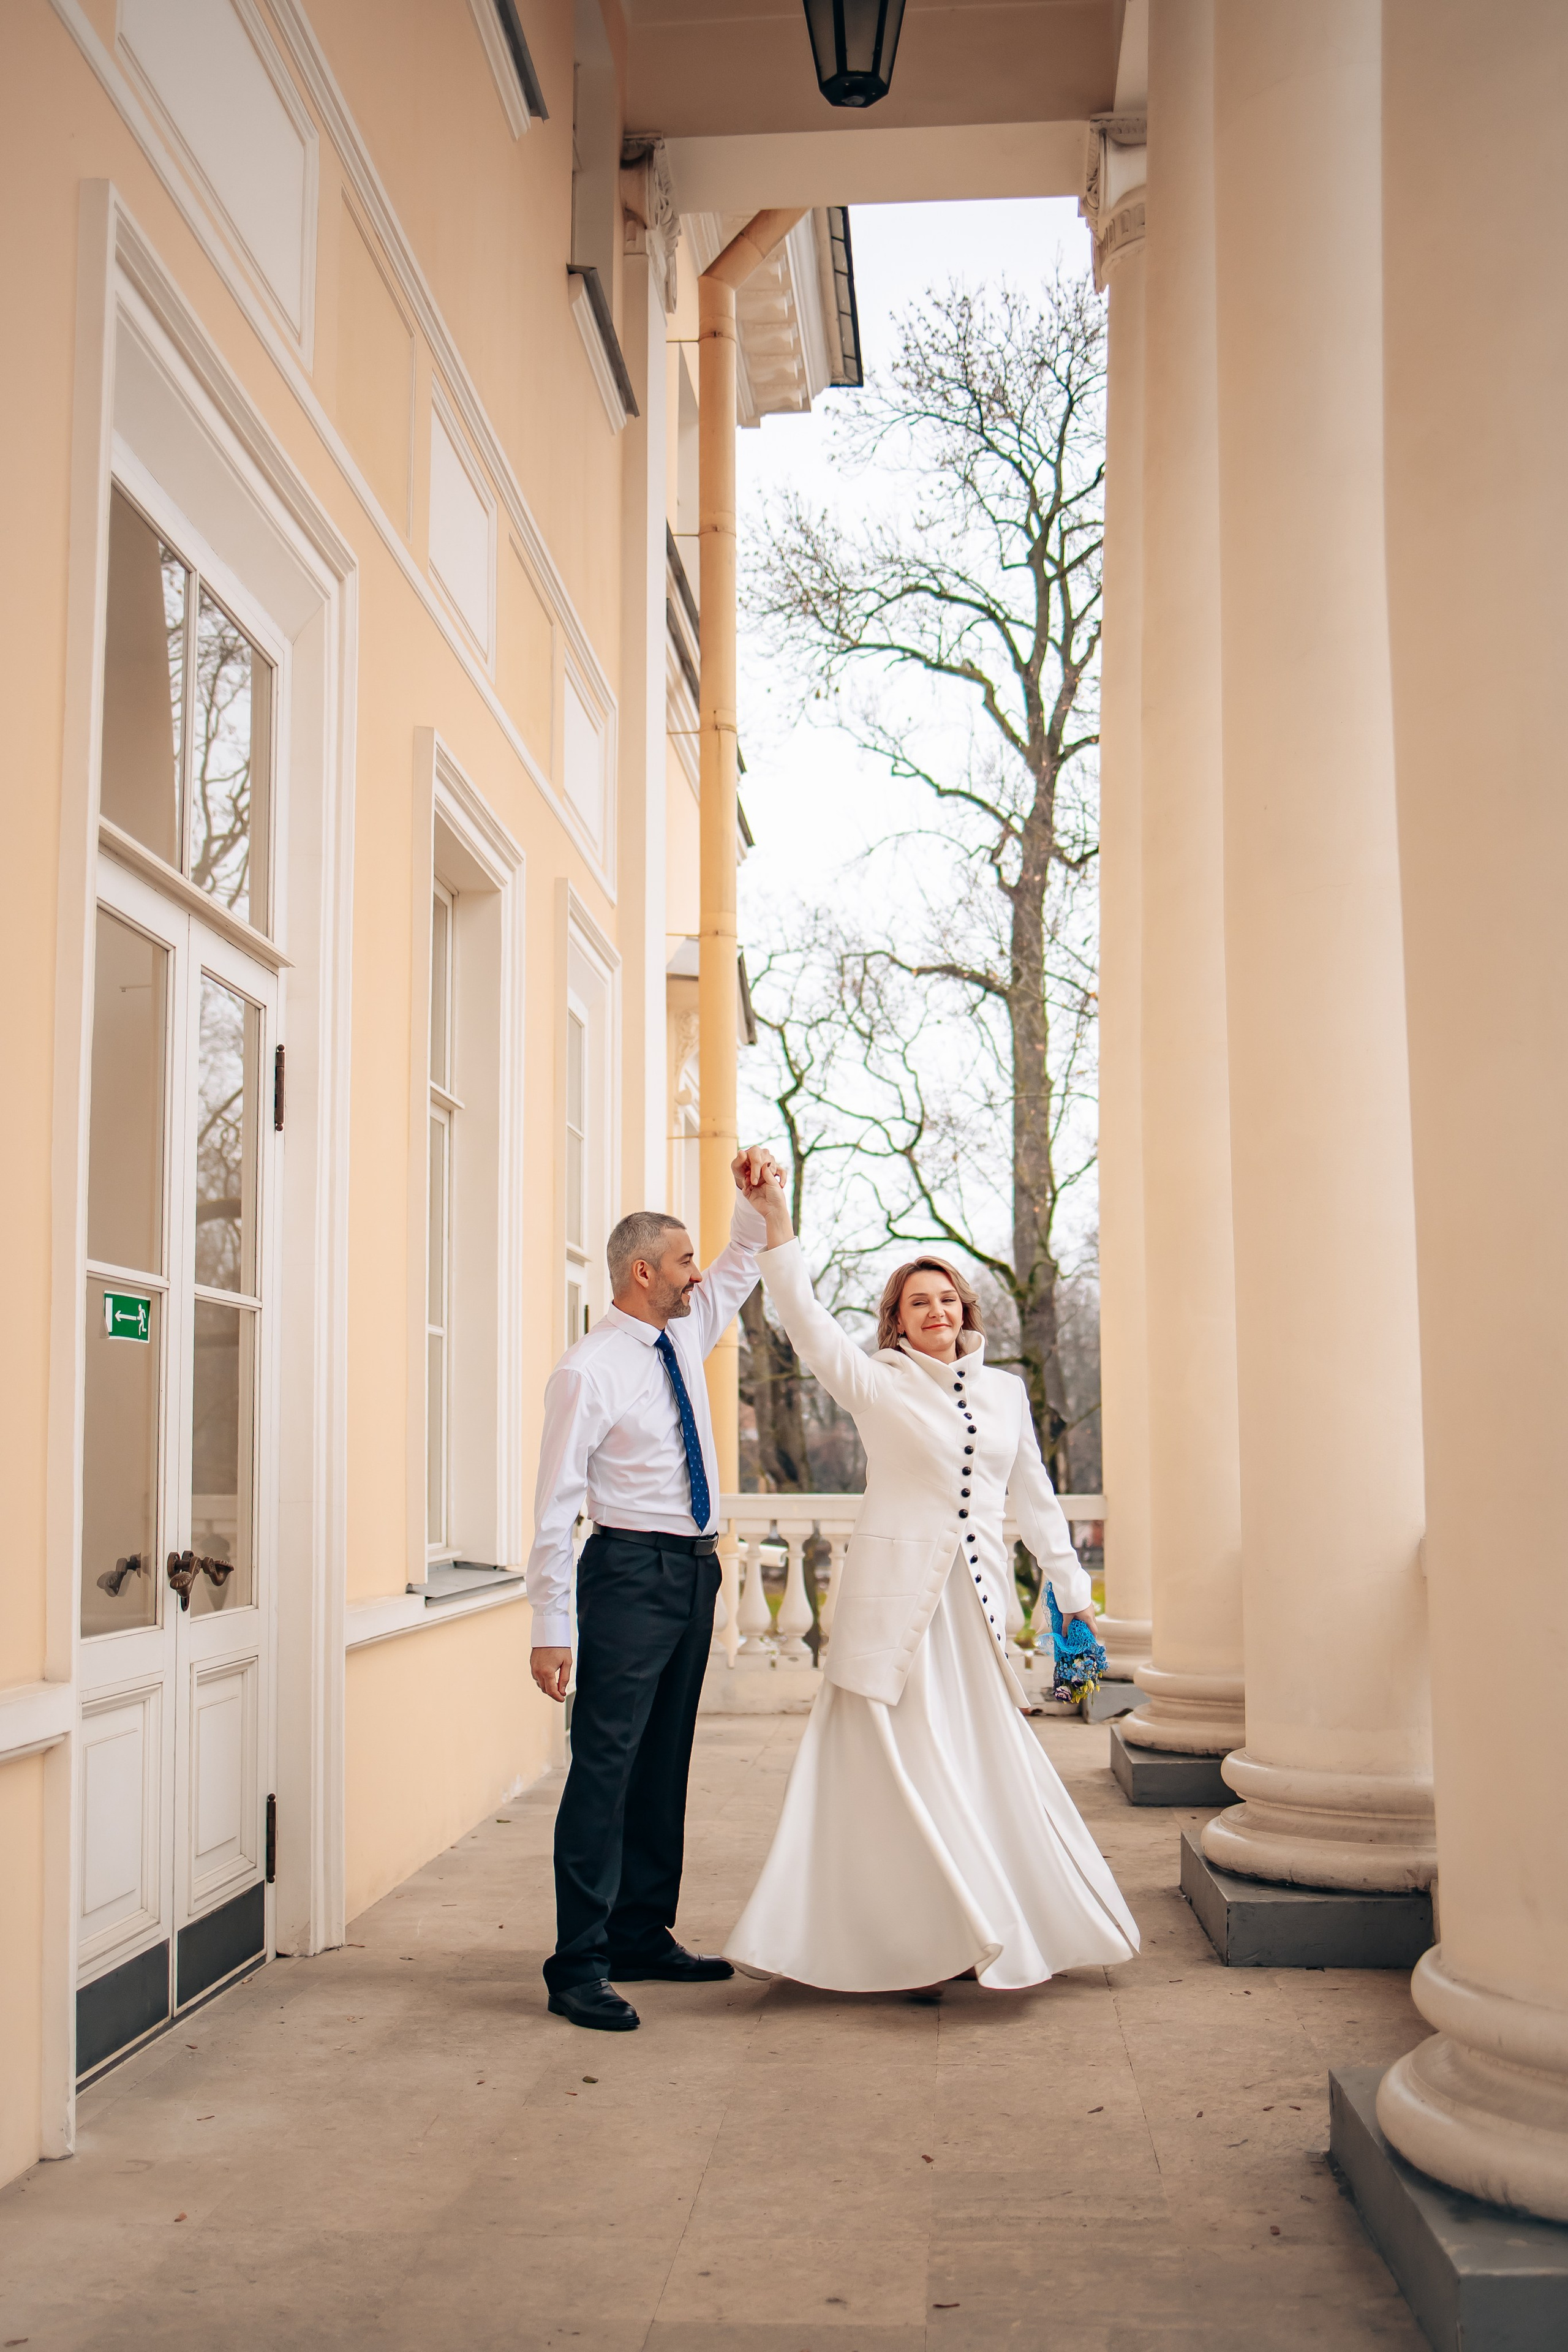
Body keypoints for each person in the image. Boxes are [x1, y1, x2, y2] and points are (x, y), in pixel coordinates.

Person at [726, 1164, 1139, 1992]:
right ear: (898, 1319)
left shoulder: (1008, 1395)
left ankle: (994, 1919)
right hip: (895, 1616)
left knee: (979, 1761)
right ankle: (907, 1936)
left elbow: (1036, 1500)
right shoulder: (875, 1384)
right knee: (894, 1766)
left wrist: (1073, 1596)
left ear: (966, 1311)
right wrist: (774, 1217)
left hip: (976, 1613)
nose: (936, 1311)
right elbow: (804, 1319)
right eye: (918, 1302)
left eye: (947, 1298)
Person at [526, 1147, 780, 2032]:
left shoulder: (683, 1334)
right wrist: (551, 1626)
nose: (697, 1273)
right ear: (643, 1272)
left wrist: (754, 1199)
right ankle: (577, 1964)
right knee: (605, 1767)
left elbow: (743, 1263)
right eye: (683, 1261)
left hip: (695, 1570)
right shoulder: (588, 1370)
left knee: (663, 1760)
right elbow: (555, 1507)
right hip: (628, 1573)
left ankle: (639, 1932)